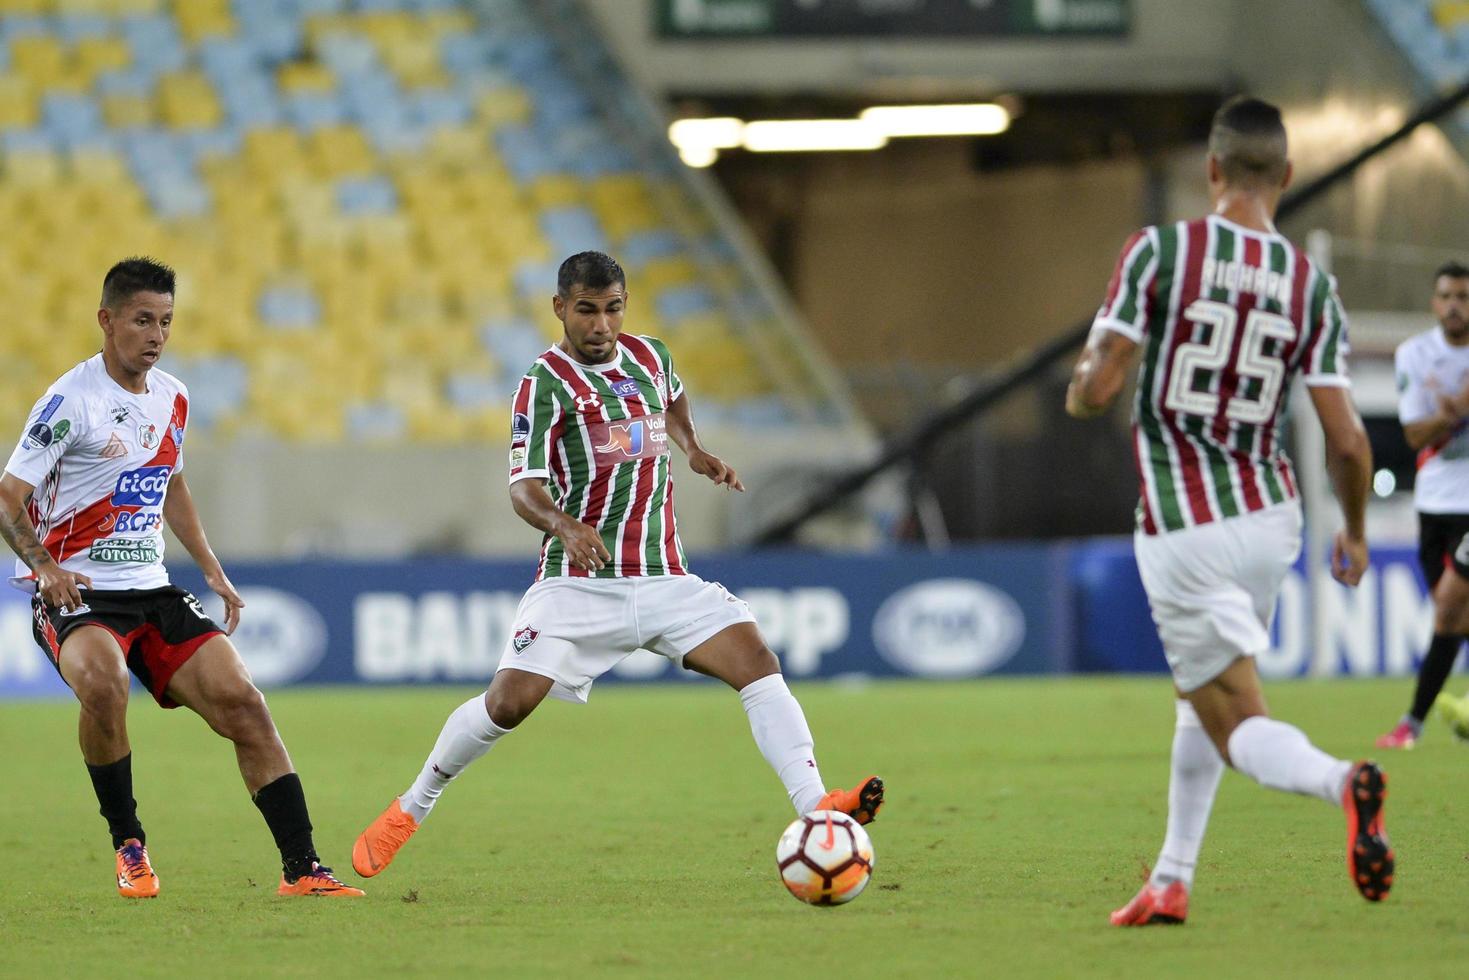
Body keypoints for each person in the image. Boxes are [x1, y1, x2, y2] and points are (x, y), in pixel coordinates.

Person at [352, 251, 883, 878]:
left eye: (612, 309)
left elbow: (674, 403)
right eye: (586, 310)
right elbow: (523, 487)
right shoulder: (543, 385)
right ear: (560, 309)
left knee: (756, 662)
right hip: (580, 583)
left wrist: (694, 449)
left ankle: (817, 808)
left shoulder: (652, 357)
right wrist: (565, 525)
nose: (601, 325)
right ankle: (412, 807)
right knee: (508, 705)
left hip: (664, 577)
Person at [1065, 97, 1392, 925]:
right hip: (1268, 520)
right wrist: (1351, 529)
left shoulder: (1159, 252)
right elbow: (1348, 443)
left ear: (1209, 171)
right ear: (1284, 177)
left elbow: (1097, 390)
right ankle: (1171, 878)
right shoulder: (1310, 284)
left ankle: (1341, 783)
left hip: (1185, 524)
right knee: (1196, 694)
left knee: (1233, 717)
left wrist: (1080, 381)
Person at [0, 258, 362, 899]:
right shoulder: (68, 402)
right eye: (143, 320)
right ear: (106, 320)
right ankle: (129, 845)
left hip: (154, 591)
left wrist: (213, 570)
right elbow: (8, 496)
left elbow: (171, 484)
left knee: (246, 703)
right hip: (79, 594)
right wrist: (44, 566)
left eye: (166, 322)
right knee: (104, 686)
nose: (156, 335)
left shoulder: (174, 395)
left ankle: (303, 869)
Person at [1374, 261, 1469, 749]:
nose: (1454, 305)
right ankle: (1416, 725)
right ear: (1435, 303)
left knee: (1451, 607)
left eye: (1463, 297)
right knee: (1451, 618)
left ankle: (1410, 724)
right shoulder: (1415, 354)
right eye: (1447, 296)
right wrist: (1453, 412)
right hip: (1434, 504)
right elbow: (1413, 435)